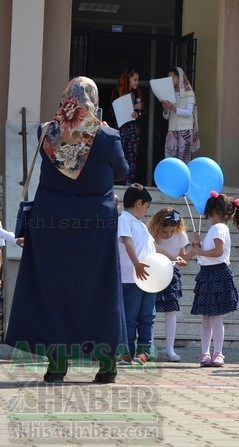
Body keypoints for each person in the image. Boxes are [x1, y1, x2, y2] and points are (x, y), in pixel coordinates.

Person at [5, 76, 129, 383]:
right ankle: (106, 364)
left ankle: (57, 365)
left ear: (67, 97)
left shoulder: (45, 131)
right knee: (99, 290)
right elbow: (124, 172)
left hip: (52, 223)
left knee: (54, 289)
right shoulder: (108, 136)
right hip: (94, 225)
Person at [186, 192, 239, 368]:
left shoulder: (218, 228)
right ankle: (207, 353)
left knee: (214, 317)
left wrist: (199, 252)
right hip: (210, 273)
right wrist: (199, 246)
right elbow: (213, 250)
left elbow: (218, 252)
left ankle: (216, 353)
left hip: (216, 273)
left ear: (213, 211)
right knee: (208, 317)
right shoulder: (217, 229)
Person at [118, 183, 160, 365]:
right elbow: (128, 243)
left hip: (149, 279)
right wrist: (137, 265)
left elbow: (154, 247)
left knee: (147, 316)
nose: (146, 211)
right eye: (147, 207)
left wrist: (174, 257)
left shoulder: (141, 226)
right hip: (131, 278)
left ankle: (144, 351)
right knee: (130, 317)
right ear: (139, 203)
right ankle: (126, 352)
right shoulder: (124, 220)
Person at [148, 208, 189, 362]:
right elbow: (155, 249)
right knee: (150, 311)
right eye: (165, 231)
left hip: (170, 274)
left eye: (172, 231)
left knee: (171, 311)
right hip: (154, 273)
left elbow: (183, 257)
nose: (168, 235)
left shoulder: (181, 236)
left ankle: (170, 349)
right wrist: (173, 257)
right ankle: (149, 346)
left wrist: (194, 250)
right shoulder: (152, 233)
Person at [110, 68, 145, 185]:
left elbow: (142, 112)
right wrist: (134, 107)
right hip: (122, 128)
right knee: (120, 154)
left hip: (133, 128)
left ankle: (128, 183)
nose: (137, 82)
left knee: (132, 157)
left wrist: (137, 113)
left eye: (138, 80)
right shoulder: (117, 92)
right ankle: (116, 181)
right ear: (127, 79)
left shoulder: (137, 93)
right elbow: (115, 109)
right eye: (134, 79)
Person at [161, 66, 200, 163]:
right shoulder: (169, 94)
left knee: (184, 160)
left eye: (172, 77)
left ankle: (183, 178)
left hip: (185, 130)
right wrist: (166, 109)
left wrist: (173, 108)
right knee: (170, 160)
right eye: (168, 78)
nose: (170, 80)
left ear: (179, 78)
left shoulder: (189, 93)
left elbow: (188, 112)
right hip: (172, 130)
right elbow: (166, 116)